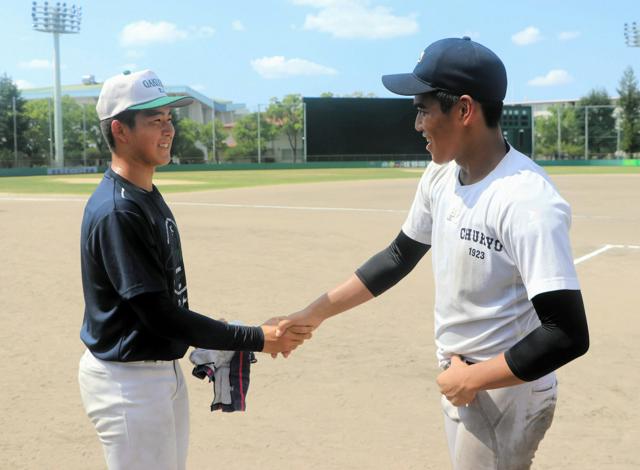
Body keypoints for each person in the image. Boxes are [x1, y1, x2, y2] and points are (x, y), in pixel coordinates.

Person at [276, 37, 589, 469]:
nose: (418, 124)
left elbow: (567, 333)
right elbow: (398, 256)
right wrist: (313, 314)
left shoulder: (527, 201)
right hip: (462, 379)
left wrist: (472, 378)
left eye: (423, 109)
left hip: (505, 386)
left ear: (463, 110)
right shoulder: (441, 175)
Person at [78, 69, 311, 470]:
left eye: (169, 119)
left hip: (157, 372)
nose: (168, 129)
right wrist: (254, 338)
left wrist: (211, 332)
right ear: (120, 130)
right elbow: (159, 315)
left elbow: (162, 304)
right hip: (128, 384)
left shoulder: (144, 194)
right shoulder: (119, 211)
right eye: (155, 121)